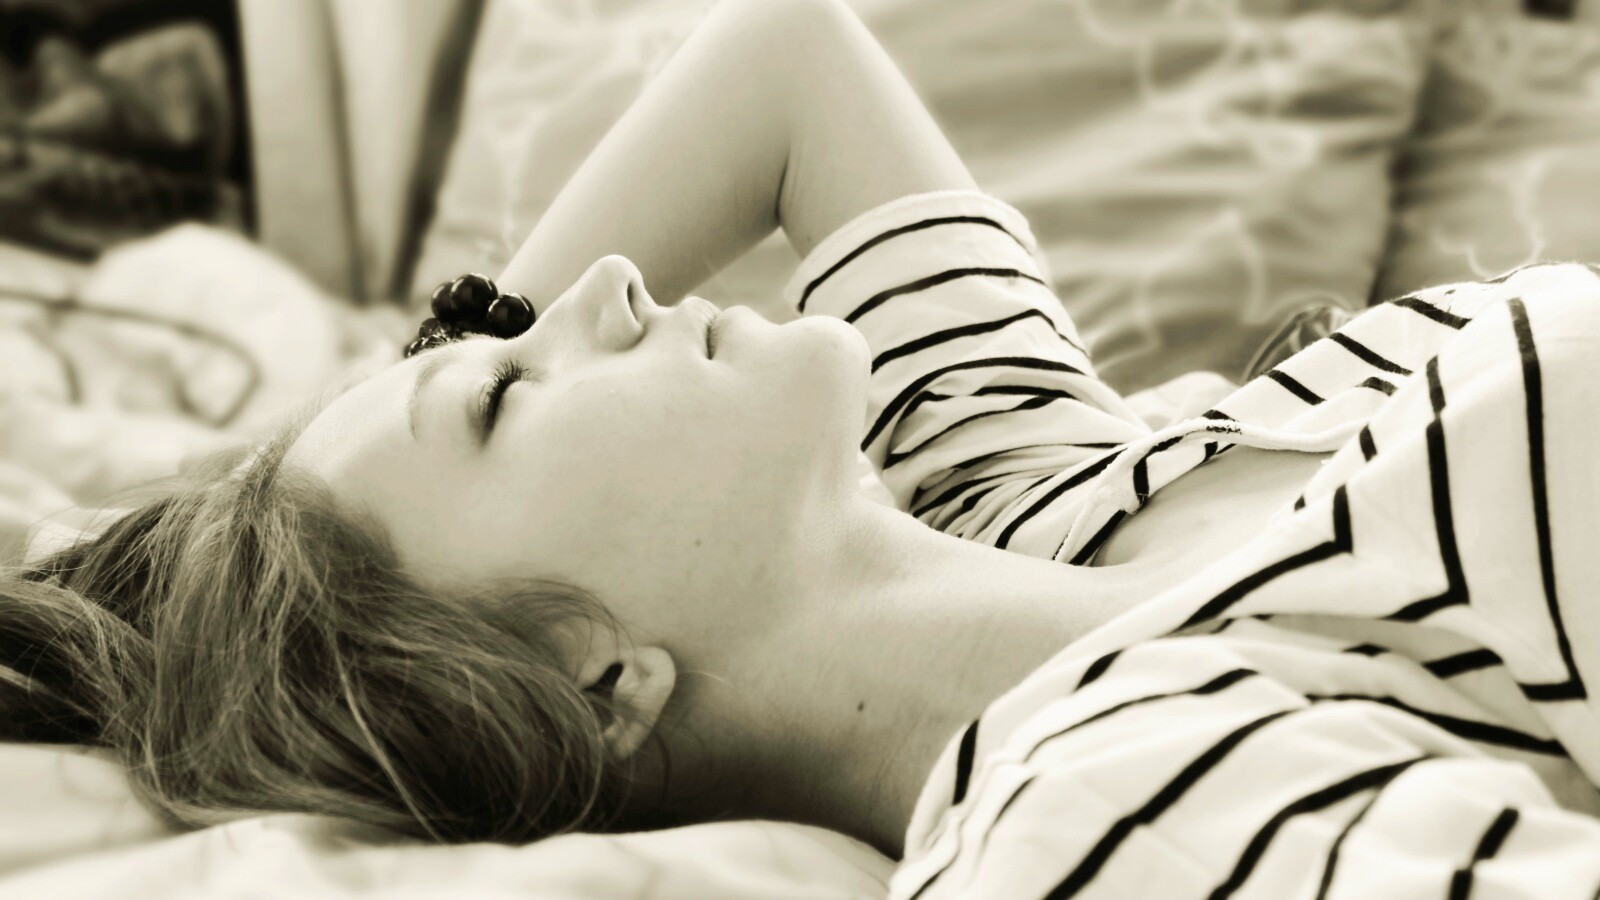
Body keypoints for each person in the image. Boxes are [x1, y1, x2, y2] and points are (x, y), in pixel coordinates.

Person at [5, 0, 1600, 896]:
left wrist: (424, 385)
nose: (604, 285)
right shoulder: (1111, 799)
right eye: (504, 395)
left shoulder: (1025, 486)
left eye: (493, 333)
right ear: (596, 686)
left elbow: (781, 59)